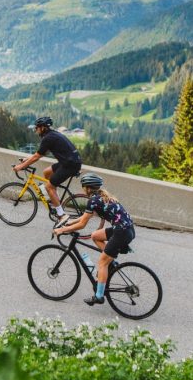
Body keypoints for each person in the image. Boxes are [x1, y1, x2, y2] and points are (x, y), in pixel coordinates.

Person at [54, 172, 135, 306]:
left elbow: (82, 224)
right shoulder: (102, 197)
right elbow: (85, 217)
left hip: (121, 232)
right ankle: (110, 258)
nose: (82, 189)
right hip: (127, 230)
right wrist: (69, 222)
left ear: (88, 188)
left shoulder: (93, 200)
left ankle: (99, 296)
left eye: (83, 186)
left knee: (102, 263)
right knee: (95, 236)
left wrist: (61, 230)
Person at [13, 117, 82, 226]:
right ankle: (55, 200)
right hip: (70, 161)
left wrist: (21, 166)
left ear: (43, 128)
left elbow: (37, 157)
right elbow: (40, 153)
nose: (36, 130)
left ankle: (61, 215)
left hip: (70, 165)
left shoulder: (48, 138)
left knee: (48, 187)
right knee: (47, 172)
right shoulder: (52, 135)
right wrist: (26, 160)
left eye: (37, 128)